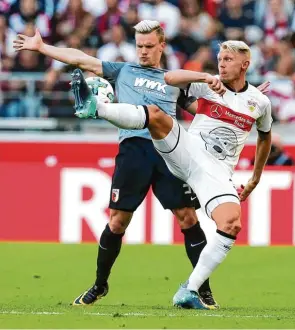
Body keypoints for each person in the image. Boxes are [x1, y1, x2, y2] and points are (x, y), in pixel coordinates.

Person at [13, 20, 217, 308]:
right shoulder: (123, 70)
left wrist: (244, 100)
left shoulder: (174, 80)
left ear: (162, 46)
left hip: (170, 151)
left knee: (188, 218)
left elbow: (207, 112)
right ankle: (100, 284)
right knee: (118, 222)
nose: (143, 52)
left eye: (149, 46)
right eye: (139, 47)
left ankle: (201, 288)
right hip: (133, 150)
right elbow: (81, 59)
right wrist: (42, 47)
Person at [66, 40, 273, 309]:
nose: (221, 64)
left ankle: (191, 289)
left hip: (216, 171)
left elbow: (265, 137)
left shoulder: (260, 101)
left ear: (245, 65)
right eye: (220, 58)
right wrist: (205, 76)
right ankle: (98, 108)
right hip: (187, 150)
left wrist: (255, 178)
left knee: (231, 223)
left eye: (228, 60)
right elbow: (170, 77)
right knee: (156, 115)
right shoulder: (207, 84)